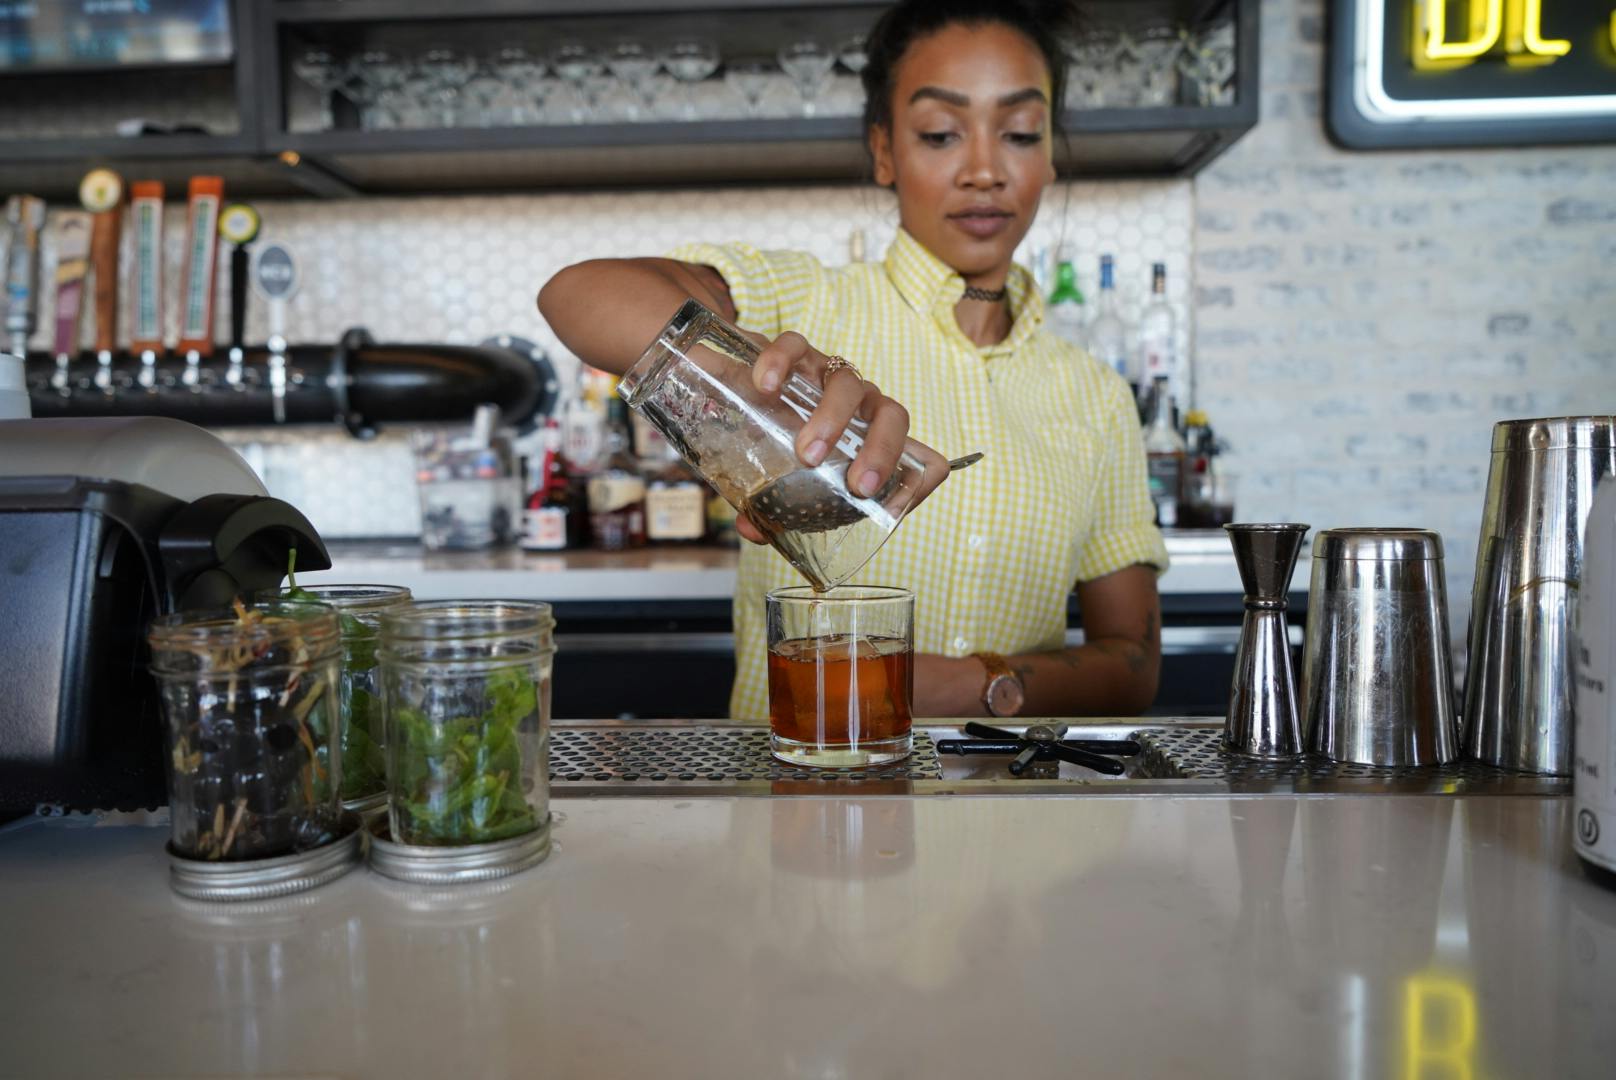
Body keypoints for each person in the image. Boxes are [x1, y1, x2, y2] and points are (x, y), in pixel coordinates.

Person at [539, 0, 1168, 720]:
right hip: (793, 794)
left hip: (1007, 810)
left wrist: (978, 684)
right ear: (884, 152)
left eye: (1020, 132)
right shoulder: (804, 301)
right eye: (940, 133)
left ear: (1050, 154)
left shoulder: (1096, 395)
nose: (986, 170)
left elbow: (1134, 661)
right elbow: (576, 294)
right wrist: (757, 386)